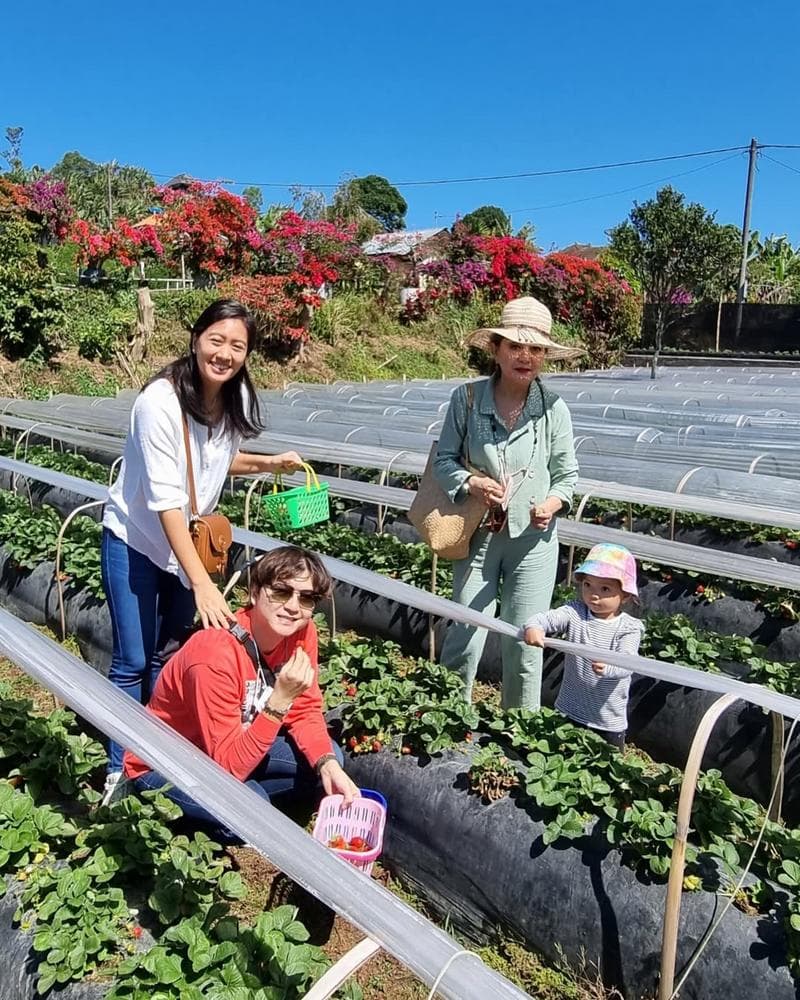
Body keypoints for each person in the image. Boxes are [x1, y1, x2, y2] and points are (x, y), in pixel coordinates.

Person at [101, 298, 304, 798]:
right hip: (137, 539)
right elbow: (168, 501)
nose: (225, 353)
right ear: (196, 340)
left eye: (238, 345)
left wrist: (269, 465)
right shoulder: (159, 402)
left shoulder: (230, 402)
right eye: (216, 340)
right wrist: (203, 585)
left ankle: (156, 749)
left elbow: (218, 462)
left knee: (163, 657)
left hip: (184, 549)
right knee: (132, 657)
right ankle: (118, 769)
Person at [123, 545, 359, 837]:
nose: (294, 607)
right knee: (250, 811)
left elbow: (306, 708)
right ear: (254, 592)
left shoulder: (301, 632)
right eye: (281, 592)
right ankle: (182, 822)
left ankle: (239, 806)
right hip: (166, 761)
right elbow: (229, 766)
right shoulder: (213, 655)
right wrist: (279, 701)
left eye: (307, 598)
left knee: (329, 758)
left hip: (232, 742)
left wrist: (327, 763)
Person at [433, 296, 580, 710]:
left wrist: (552, 503)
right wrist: (472, 483)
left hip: (533, 542)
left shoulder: (554, 410)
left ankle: (520, 729)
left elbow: (567, 476)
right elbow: (443, 460)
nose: (525, 357)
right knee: (466, 628)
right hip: (479, 533)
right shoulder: (466, 400)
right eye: (515, 346)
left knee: (526, 638)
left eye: (536, 349)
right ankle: (448, 716)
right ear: (496, 349)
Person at [523, 543, 644, 749]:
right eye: (588, 585)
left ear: (624, 595)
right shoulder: (575, 612)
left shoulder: (629, 628)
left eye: (605, 589)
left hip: (606, 719)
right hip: (569, 709)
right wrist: (534, 626)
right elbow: (548, 618)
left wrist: (609, 668)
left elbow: (628, 661)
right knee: (561, 757)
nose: (593, 594)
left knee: (604, 771)